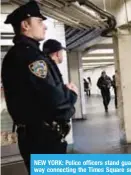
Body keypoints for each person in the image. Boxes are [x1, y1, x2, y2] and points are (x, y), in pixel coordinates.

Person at [1, 1, 78, 173]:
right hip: (44, 140)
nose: (44, 27)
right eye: (39, 22)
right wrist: (72, 96)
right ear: (25, 25)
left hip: (33, 137)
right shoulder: (31, 57)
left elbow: (39, 94)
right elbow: (55, 101)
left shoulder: (16, 55)